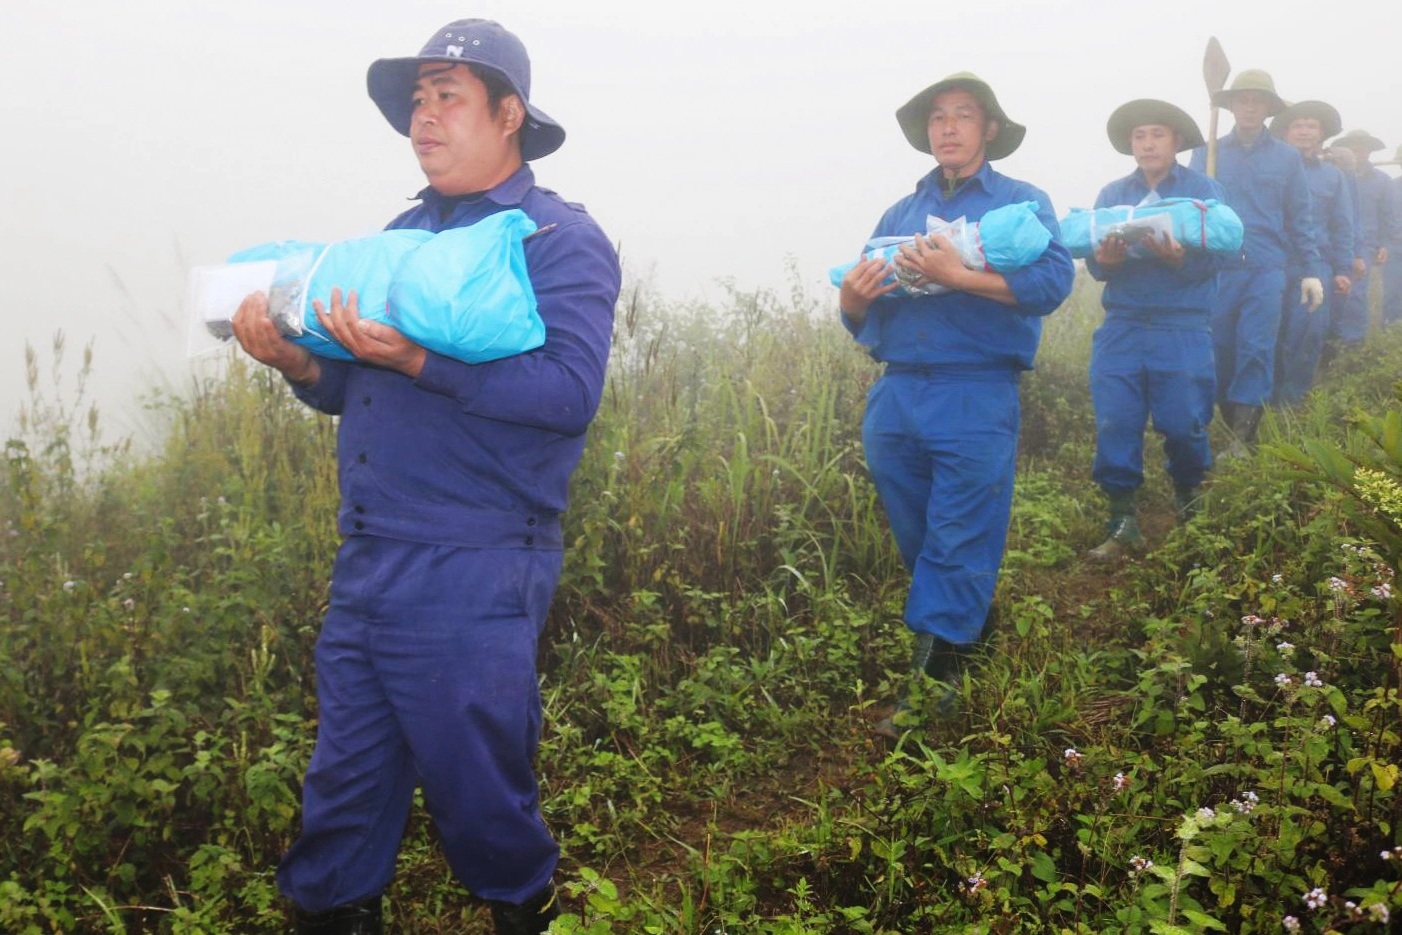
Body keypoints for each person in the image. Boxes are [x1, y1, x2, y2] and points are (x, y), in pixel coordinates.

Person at [229, 18, 621, 935]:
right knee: (344, 787)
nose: (425, 119)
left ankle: (526, 911)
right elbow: (350, 391)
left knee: (480, 784)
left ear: (510, 112)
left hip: (475, 558)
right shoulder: (399, 237)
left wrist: (418, 361)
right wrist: (296, 365)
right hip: (370, 553)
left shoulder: (557, 239)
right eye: (417, 101)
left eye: (449, 97)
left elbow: (567, 393)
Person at [837, 72, 1074, 736]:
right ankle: (970, 626)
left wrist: (958, 276)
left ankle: (931, 689)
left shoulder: (1020, 203)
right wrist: (851, 302)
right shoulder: (900, 214)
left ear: (988, 128)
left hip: (974, 389)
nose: (947, 127)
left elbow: (1054, 282)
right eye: (937, 117)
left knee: (958, 532)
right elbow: (862, 306)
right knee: (920, 534)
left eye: (963, 115)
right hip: (897, 391)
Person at [1083, 100, 1227, 561]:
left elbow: (1220, 256)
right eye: (1140, 136)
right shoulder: (1112, 194)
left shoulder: (1204, 190)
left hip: (1181, 324)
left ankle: (1190, 505)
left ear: (1177, 142)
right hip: (1122, 323)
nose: (1147, 143)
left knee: (1185, 422)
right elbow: (1094, 258)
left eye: (1157, 134)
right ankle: (1122, 519)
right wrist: (1103, 263)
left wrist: (1178, 258)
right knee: (1115, 420)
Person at [1188, 70, 1321, 453]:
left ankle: (1242, 440)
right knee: (1221, 350)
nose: (1249, 107)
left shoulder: (1287, 157)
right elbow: (1190, 211)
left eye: (1257, 100)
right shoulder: (1206, 153)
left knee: (1257, 346)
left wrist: (1311, 270)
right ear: (1230, 105)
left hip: (1267, 268)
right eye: (1242, 99)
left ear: (1267, 107)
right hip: (1218, 268)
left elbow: (1300, 216)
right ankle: (1234, 426)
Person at [1270, 101, 1355, 406]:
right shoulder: (1271, 170)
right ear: (1285, 132)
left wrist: (1343, 270)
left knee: (1308, 334)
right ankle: (1264, 399)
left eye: (1312, 125)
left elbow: (1343, 225)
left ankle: (1290, 405)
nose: (1304, 131)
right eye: (1298, 125)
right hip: (1272, 262)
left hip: (1315, 265)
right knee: (1271, 333)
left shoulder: (1334, 178)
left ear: (1321, 135)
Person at [1330, 129, 1397, 344]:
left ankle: (1352, 344)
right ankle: (1330, 341)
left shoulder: (1382, 181)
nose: (1359, 151)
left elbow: (1389, 215)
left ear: (1369, 151)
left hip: (1366, 244)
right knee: (1331, 290)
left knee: (1355, 293)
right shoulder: (1332, 174)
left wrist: (1385, 244)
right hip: (1332, 242)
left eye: (1363, 147)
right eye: (1353, 146)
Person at [1380, 145, 1402, 327]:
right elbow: (1383, 217)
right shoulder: (1392, 186)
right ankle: (1389, 330)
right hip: (1395, 247)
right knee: (1393, 292)